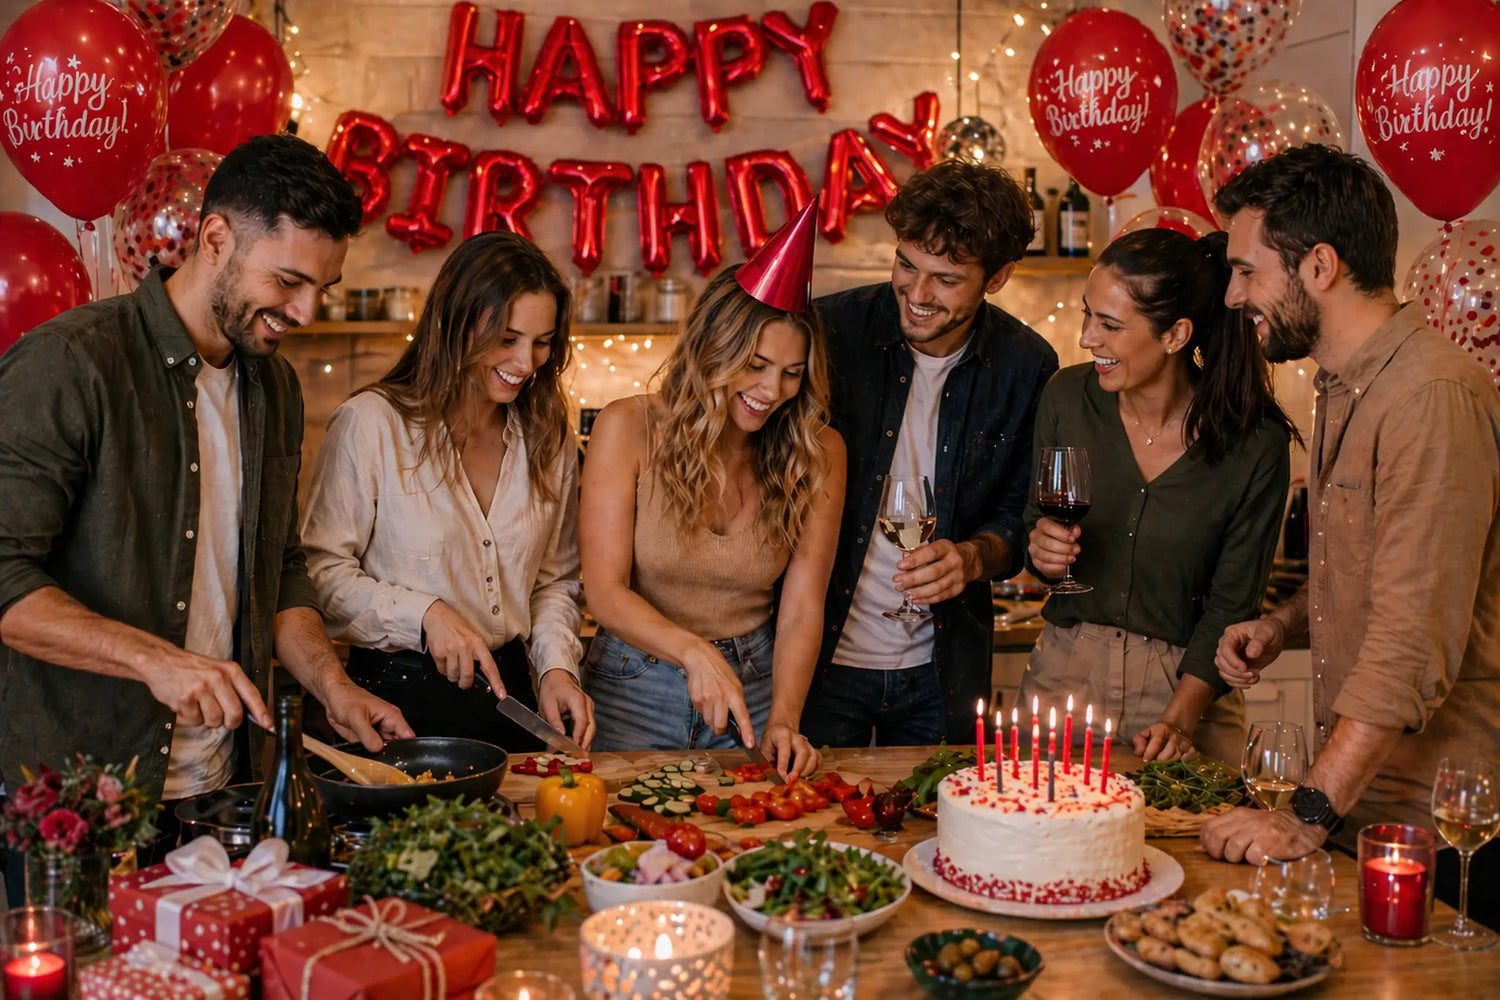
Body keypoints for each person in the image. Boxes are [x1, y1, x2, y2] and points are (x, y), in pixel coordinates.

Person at [0, 135, 412, 902]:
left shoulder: (276, 389)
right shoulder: (73, 363)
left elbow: (279, 566)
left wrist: (332, 685)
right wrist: (157, 661)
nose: (305, 311)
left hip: (225, 793)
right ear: (215, 237)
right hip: (84, 800)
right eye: (287, 280)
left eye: (322, 287)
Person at [1202, 145, 1500, 927]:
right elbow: (1370, 571)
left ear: (1320, 266)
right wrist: (1283, 623)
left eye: (1247, 271)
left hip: (1445, 831)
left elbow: (1410, 640)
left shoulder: (1429, 397)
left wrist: (1305, 813)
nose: (1233, 295)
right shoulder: (1344, 385)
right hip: (1363, 807)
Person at [300, 232, 594, 751]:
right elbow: (319, 578)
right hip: (394, 701)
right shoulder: (372, 424)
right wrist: (424, 615)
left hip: (513, 698)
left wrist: (556, 669)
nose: (526, 362)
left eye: (542, 341)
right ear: (454, 324)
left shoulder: (548, 438)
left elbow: (554, 583)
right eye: (506, 338)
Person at [578, 206, 844, 778]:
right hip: (630, 686)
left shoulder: (820, 452)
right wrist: (693, 651)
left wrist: (785, 720)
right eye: (755, 364)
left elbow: (802, 607)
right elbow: (603, 590)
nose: (772, 390)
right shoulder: (628, 427)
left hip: (754, 690)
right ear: (712, 349)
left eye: (792, 372)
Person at [801, 160, 1058, 747]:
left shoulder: (1026, 364)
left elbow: (1020, 517)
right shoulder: (830, 332)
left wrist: (972, 558)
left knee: (940, 804)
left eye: (945, 279)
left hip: (943, 671)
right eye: (906, 265)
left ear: (998, 277)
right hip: (816, 661)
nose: (916, 295)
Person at [1020, 229, 1296, 766]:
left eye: (1109, 325)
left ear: (1175, 334)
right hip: (1065, 679)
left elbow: (1232, 606)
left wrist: (1179, 719)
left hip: (1188, 694)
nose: (1086, 338)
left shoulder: (1255, 442)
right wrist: (1042, 551)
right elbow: (1037, 520)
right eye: (1087, 315)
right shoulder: (1066, 398)